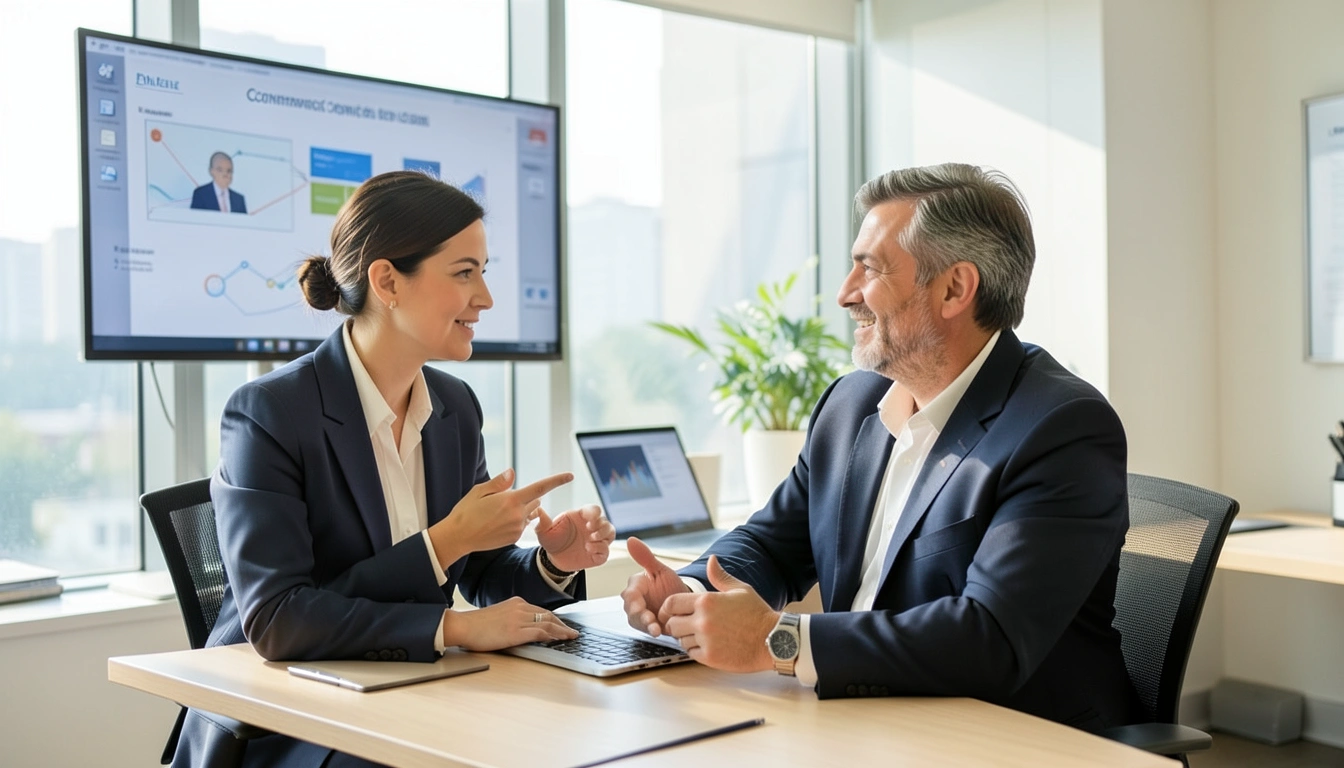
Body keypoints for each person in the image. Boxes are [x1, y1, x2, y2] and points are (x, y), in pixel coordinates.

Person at [621, 163, 1140, 733]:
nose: (845, 294)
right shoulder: (851, 405)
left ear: (954, 289)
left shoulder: (1061, 428)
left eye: (868, 269)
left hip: (1012, 740)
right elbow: (772, 544)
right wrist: (692, 593)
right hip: (863, 722)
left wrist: (777, 640)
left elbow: (989, 636)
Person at [171, 171, 615, 768]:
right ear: (387, 282)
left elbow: (482, 573)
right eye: (464, 273)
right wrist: (454, 616)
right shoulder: (270, 412)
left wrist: (551, 561)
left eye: (484, 272)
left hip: (407, 695)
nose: (485, 298)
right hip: (285, 722)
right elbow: (279, 620)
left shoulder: (455, 407)